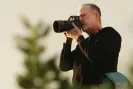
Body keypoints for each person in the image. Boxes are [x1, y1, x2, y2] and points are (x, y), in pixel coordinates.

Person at [59, 3, 122, 87]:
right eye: (79, 17)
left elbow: (96, 57)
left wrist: (78, 37)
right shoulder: (84, 43)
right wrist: (68, 40)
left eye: (83, 15)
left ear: (96, 16)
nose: (80, 20)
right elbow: (64, 66)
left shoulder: (109, 34)